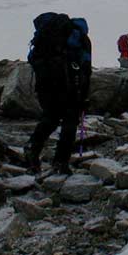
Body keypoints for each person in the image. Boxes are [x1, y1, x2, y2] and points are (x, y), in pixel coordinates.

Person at [24, 13, 92, 175]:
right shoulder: (80, 38)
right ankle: (60, 163)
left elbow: (32, 58)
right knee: (70, 120)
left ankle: (32, 149)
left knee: (51, 117)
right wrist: (84, 94)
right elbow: (86, 66)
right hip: (70, 84)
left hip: (45, 84)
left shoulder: (46, 37)